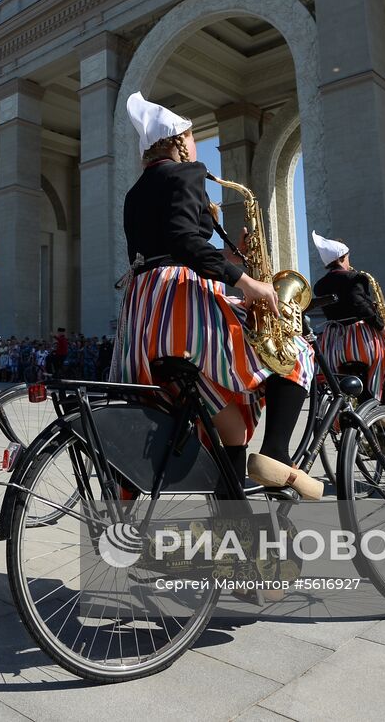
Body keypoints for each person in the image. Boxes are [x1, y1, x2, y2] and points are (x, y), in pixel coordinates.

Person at [113, 93, 321, 499]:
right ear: (177, 141)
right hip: (180, 309)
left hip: (144, 316)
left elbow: (169, 246)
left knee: (230, 420)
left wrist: (225, 259)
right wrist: (250, 282)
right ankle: (276, 455)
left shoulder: (135, 192)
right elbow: (186, 243)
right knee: (296, 352)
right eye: (191, 137)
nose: (196, 145)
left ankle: (233, 517)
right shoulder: (187, 173)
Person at [311, 232, 385, 410]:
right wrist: (383, 328)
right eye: (348, 258)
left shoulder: (320, 285)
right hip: (360, 338)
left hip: (333, 341)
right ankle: (383, 409)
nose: (349, 262)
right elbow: (360, 305)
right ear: (342, 257)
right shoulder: (355, 278)